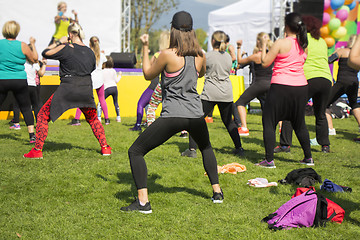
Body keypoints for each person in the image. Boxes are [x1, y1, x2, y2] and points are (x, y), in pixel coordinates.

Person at [121, 11, 223, 214]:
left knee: (135, 151)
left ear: (173, 30)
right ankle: (217, 192)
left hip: (173, 115)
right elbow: (201, 73)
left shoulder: (167, 54)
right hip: (195, 114)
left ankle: (143, 203)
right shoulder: (200, 54)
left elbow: (147, 74)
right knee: (206, 147)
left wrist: (144, 46)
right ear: (192, 30)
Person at [24, 23, 111, 159]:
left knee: (42, 116)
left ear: (70, 34)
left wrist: (59, 42)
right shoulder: (89, 52)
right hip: (85, 89)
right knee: (93, 119)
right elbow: (91, 68)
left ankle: (37, 150)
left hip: (68, 88)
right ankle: (105, 148)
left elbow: (45, 53)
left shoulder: (66, 48)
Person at [258, 12, 312, 168]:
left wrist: (263, 45)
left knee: (269, 121)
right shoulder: (303, 45)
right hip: (301, 87)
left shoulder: (281, 43)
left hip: (281, 86)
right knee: (299, 123)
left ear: (286, 26)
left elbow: (264, 63)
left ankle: (269, 161)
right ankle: (308, 158)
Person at [181, 30, 244, 158]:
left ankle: (192, 150)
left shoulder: (207, 56)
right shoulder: (228, 57)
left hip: (210, 92)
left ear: (213, 41)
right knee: (229, 123)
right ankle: (239, 148)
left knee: (195, 119)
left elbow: (200, 72)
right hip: (226, 93)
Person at [275, 15, 333, 154]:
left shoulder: (301, 39)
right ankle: (325, 145)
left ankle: (285, 145)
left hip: (309, 78)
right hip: (326, 79)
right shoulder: (322, 41)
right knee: (320, 114)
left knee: (291, 111)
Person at [0, 21, 37, 143]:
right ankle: (32, 135)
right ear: (17, 31)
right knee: (26, 107)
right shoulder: (22, 45)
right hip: (19, 80)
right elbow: (34, 60)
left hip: (2, 79)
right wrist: (32, 44)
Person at [235, 32, 273, 136]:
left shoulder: (257, 56)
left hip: (259, 84)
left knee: (240, 102)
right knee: (271, 107)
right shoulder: (272, 55)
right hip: (271, 83)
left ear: (258, 42)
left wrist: (238, 47)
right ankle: (280, 128)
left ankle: (244, 128)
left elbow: (240, 61)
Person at [326, 35, 360, 136]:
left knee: (324, 104)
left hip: (341, 83)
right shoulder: (357, 57)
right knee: (355, 105)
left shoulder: (342, 51)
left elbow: (329, 60)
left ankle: (330, 129)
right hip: (354, 82)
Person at [72, 36, 109, 125]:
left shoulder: (87, 53)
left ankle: (77, 119)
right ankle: (107, 119)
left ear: (90, 43)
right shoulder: (102, 55)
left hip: (90, 78)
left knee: (82, 99)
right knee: (102, 99)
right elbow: (103, 66)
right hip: (100, 78)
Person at [10, 44, 45, 130]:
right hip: (33, 86)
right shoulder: (34, 63)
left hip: (22, 86)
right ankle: (39, 124)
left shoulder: (20, 62)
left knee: (17, 105)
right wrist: (44, 64)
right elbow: (41, 73)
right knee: (36, 106)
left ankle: (16, 123)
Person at [97, 55, 122, 122]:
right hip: (114, 88)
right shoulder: (113, 71)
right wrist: (120, 75)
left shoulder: (102, 71)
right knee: (116, 102)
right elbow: (116, 80)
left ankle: (99, 117)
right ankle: (118, 117)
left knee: (100, 103)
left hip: (106, 88)